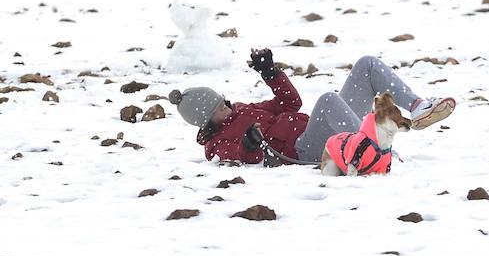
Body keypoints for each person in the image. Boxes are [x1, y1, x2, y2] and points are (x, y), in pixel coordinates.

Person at [168, 48, 455, 165]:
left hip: (328, 128)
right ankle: (371, 152)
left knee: (366, 65)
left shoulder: (244, 109)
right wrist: (249, 144)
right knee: (329, 99)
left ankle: (417, 107)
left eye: (222, 100)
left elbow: (291, 103)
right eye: (218, 108)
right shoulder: (215, 143)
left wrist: (271, 74)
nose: (226, 107)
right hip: (306, 149)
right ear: (207, 120)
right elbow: (238, 155)